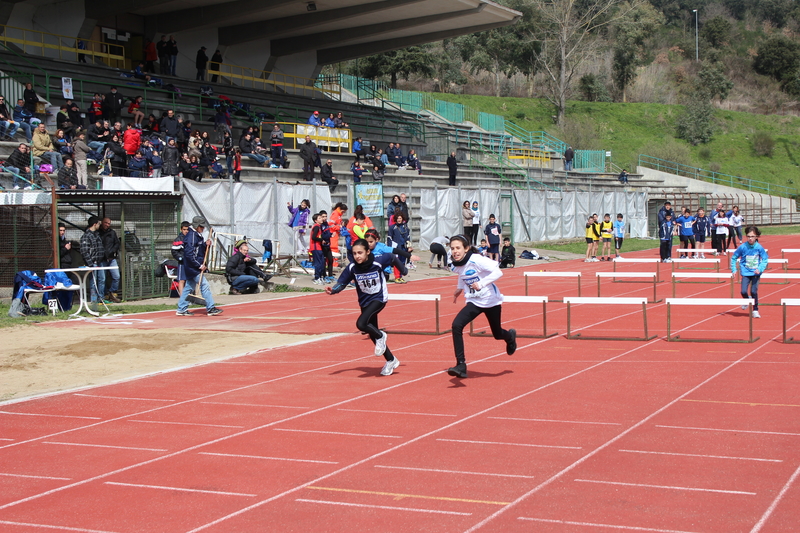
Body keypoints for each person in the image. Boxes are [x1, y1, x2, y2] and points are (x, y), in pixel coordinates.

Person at [326, 238, 412, 376]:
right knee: (373, 334)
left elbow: (392, 257)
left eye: (360, 253)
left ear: (367, 252)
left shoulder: (378, 260)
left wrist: (403, 270)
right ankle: (391, 360)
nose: (357, 256)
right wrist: (334, 290)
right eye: (354, 253)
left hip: (378, 298)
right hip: (364, 301)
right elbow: (342, 283)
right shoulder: (352, 267)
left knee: (361, 324)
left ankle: (381, 335)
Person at [446, 234, 517, 379]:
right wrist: (459, 288)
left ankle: (509, 336)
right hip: (474, 301)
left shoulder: (476, 260)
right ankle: (461, 365)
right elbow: (461, 273)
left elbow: (498, 271)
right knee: (456, 325)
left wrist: (481, 284)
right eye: (452, 248)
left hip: (491, 300)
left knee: (497, 334)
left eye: (458, 248)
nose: (455, 251)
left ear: (466, 248)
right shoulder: (455, 262)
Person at [177, 216, 222, 316]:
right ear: (196, 226)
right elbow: (189, 255)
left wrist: (206, 245)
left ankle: (181, 308)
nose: (203, 228)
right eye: (201, 226)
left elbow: (198, 248)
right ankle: (210, 308)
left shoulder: (197, 235)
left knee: (189, 287)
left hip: (194, 266)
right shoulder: (191, 237)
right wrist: (199, 265)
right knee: (204, 285)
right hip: (192, 267)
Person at [730, 226, 768, 319]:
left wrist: (760, 268)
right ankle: (747, 300)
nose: (750, 238)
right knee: (743, 291)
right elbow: (734, 258)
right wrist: (734, 269)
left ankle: (755, 310)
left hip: (755, 273)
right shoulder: (742, 247)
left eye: (752, 236)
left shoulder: (759, 247)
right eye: (748, 236)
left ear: (756, 237)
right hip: (746, 272)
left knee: (753, 291)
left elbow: (765, 259)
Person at [80, 215, 105, 310]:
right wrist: (90, 264)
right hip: (93, 263)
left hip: (100, 262)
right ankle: (94, 301)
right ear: (94, 224)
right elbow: (84, 251)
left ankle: (101, 298)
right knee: (93, 283)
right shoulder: (86, 236)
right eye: (98, 223)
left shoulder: (97, 235)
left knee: (102, 280)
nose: (100, 225)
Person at [310, 211, 339, 284]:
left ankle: (322, 277)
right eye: (320, 218)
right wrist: (322, 240)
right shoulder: (316, 227)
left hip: (320, 247)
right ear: (316, 220)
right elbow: (314, 237)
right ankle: (317, 278)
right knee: (319, 263)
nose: (322, 219)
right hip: (316, 247)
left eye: (324, 217)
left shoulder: (321, 226)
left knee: (323, 262)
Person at [99, 217, 122, 303]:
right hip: (102, 259)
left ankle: (112, 292)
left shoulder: (112, 233)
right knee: (102, 278)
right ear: (102, 222)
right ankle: (104, 295)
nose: (107, 225)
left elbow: (117, 243)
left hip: (112, 258)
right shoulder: (98, 233)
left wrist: (113, 250)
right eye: (106, 223)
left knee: (116, 276)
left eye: (109, 223)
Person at [388, 212, 411, 283]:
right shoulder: (392, 227)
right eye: (397, 218)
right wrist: (390, 247)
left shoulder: (405, 227)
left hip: (403, 246)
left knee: (403, 261)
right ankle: (397, 277)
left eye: (400, 218)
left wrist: (409, 246)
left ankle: (400, 276)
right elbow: (389, 238)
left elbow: (408, 237)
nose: (399, 220)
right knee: (397, 261)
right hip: (396, 247)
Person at [171, 221, 189, 295]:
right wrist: (180, 258)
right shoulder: (178, 239)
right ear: (181, 229)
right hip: (182, 263)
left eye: (187, 229)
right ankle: (182, 298)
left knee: (190, 280)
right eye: (184, 229)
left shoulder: (191, 238)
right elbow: (174, 251)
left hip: (190, 263)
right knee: (182, 280)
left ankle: (189, 296)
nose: (186, 231)